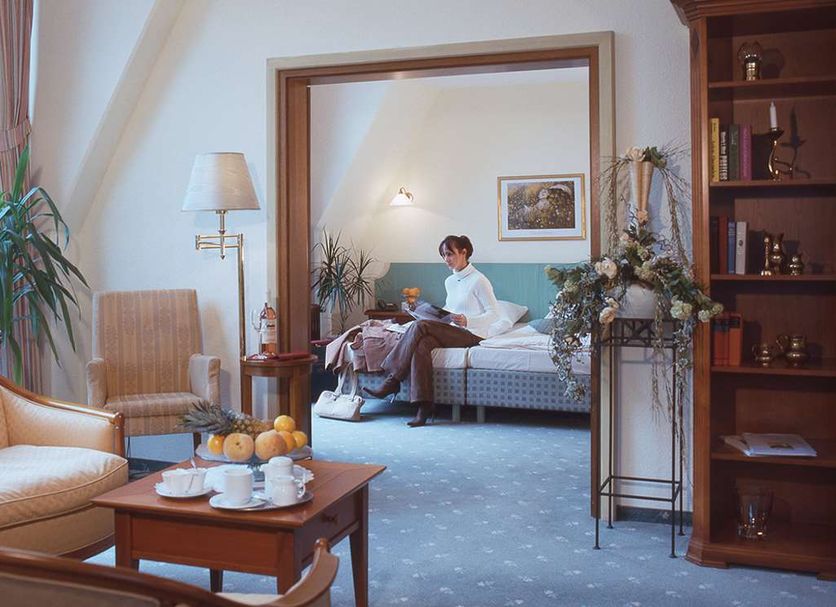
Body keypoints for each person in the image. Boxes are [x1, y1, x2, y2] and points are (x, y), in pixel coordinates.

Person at [364, 234, 501, 427]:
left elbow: (495, 314)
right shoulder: (450, 281)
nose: (446, 259)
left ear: (464, 252)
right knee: (422, 344)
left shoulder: (479, 280)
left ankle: (392, 380)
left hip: (473, 334)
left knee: (419, 326)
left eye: (450, 254)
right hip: (452, 330)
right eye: (443, 255)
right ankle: (424, 406)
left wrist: (468, 320)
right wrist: (432, 313)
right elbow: (451, 307)